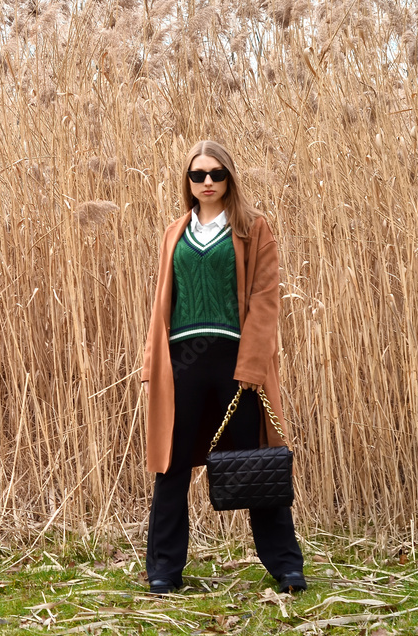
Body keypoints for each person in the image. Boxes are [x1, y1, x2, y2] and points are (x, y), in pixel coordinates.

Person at [139, 140, 306, 595]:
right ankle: (164, 571)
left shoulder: (253, 228)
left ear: (229, 177)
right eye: (198, 175)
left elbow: (265, 300)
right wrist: (154, 364)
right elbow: (161, 304)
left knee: (257, 463)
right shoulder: (175, 231)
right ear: (188, 182)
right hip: (182, 364)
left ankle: (287, 567)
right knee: (170, 467)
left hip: (235, 363)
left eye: (216, 173)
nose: (207, 182)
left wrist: (251, 368)